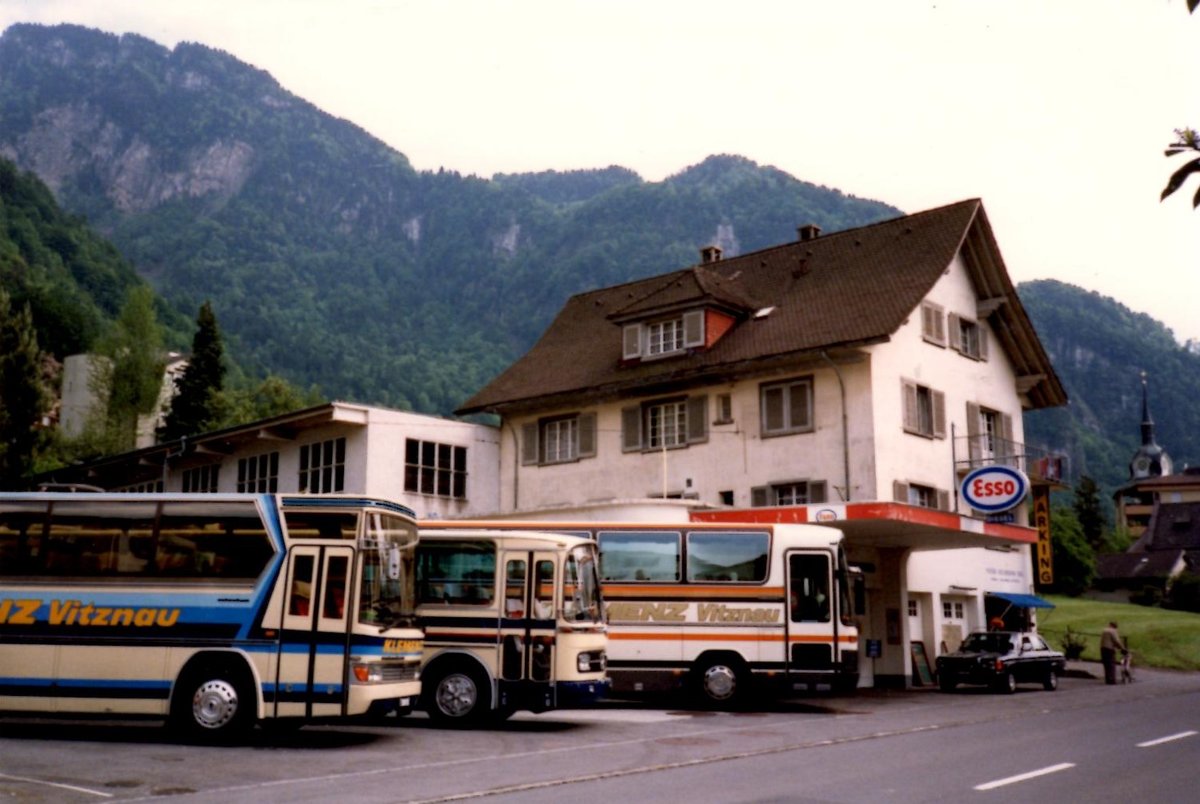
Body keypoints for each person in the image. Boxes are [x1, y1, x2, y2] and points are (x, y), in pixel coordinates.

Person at [1100, 621, 1126, 685]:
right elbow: (1116, 641)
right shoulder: (1113, 631)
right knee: (1111, 664)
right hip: (1109, 648)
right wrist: (1122, 648)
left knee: (1106, 664)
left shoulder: (1105, 630)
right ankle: (1112, 679)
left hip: (1103, 648)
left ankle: (1107, 679)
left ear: (1110, 625)